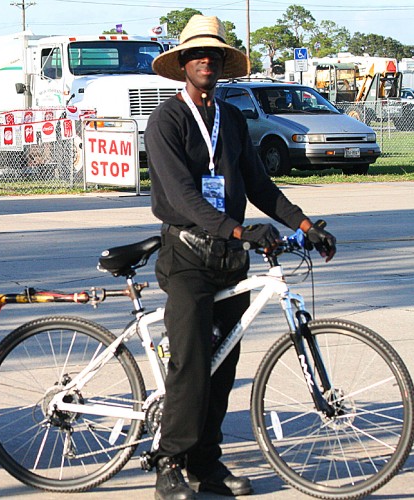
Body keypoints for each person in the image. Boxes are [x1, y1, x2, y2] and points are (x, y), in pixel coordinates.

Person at [144, 15, 337, 500]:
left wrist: (305, 224)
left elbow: (259, 185)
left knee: (223, 363)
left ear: (223, 64)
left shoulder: (230, 118)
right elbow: (183, 195)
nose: (205, 60)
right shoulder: (166, 119)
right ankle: (169, 461)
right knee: (190, 362)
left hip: (230, 259)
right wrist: (235, 227)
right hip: (187, 256)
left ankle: (205, 462)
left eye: (213, 54)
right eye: (196, 54)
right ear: (184, 63)